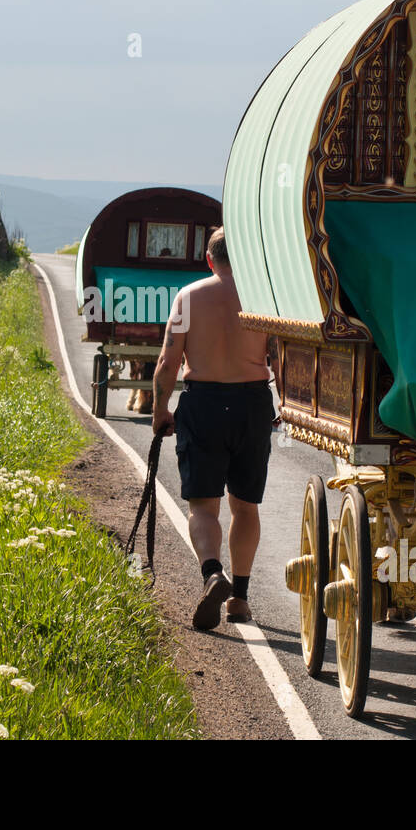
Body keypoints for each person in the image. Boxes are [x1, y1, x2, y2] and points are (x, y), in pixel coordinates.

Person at [152, 227, 274, 630]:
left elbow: (168, 363)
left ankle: (211, 574)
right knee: (245, 505)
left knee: (203, 505)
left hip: (203, 402)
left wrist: (160, 410)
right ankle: (239, 598)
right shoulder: (264, 296)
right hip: (252, 403)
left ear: (209, 259)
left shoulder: (189, 297)